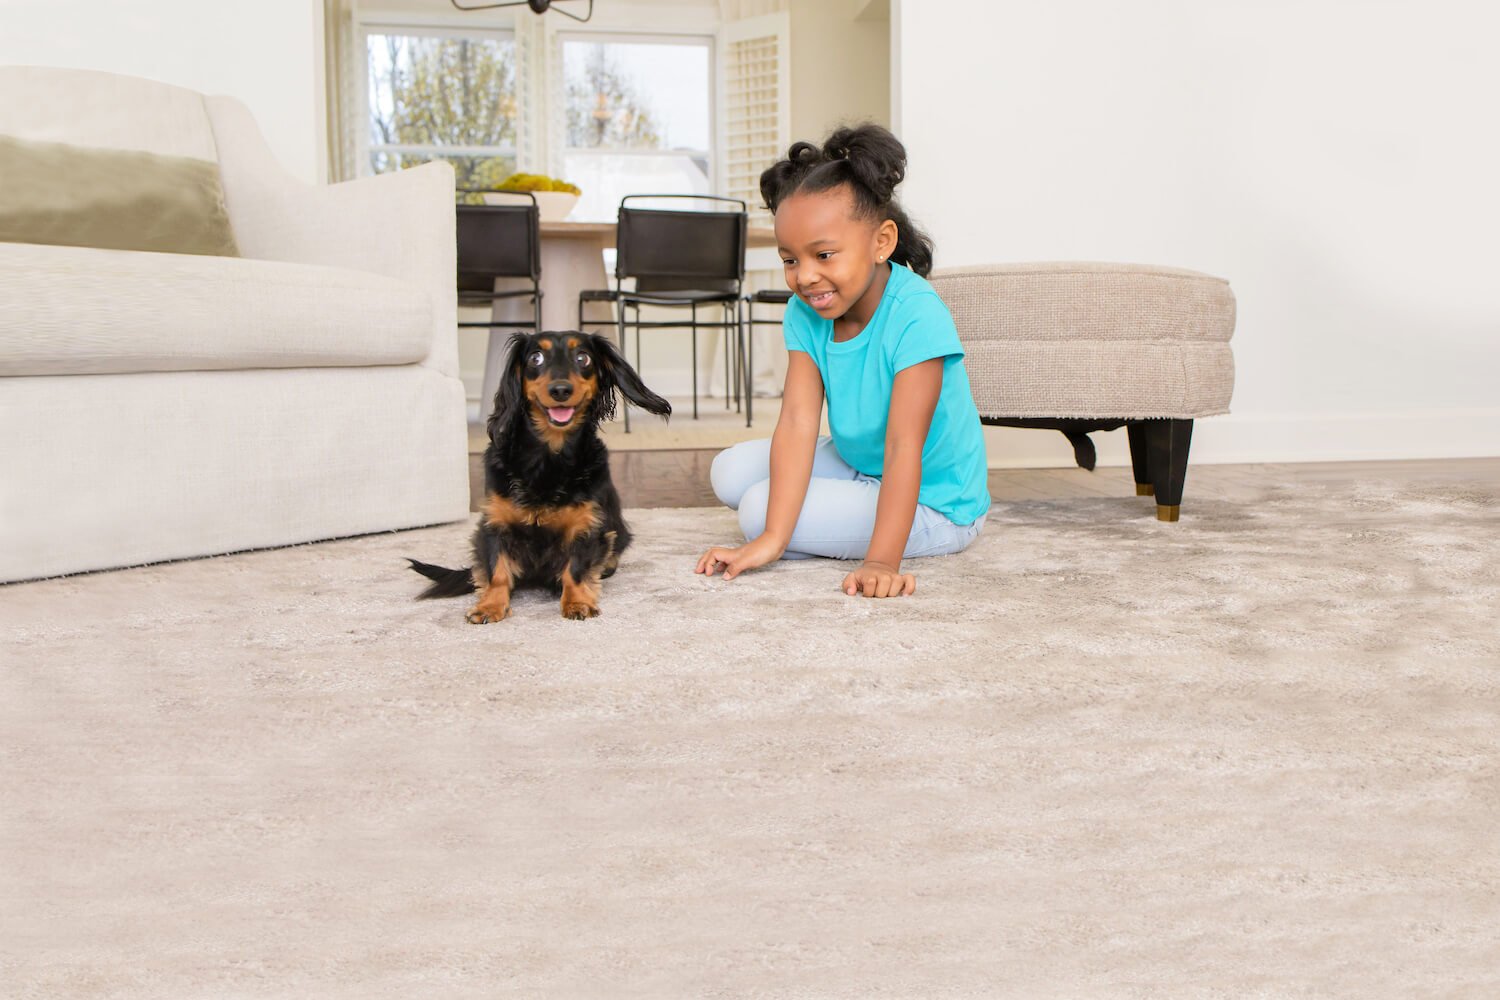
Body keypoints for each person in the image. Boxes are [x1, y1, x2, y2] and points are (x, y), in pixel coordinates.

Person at [694, 124, 991, 599]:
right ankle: (806, 524)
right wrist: (774, 538)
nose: (805, 277)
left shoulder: (917, 313)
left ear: (881, 242)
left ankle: (835, 530)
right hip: (862, 463)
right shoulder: (806, 312)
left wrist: (881, 563)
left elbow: (903, 447)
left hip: (936, 502)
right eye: (790, 260)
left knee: (756, 509)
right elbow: (797, 421)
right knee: (729, 472)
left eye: (824, 254)